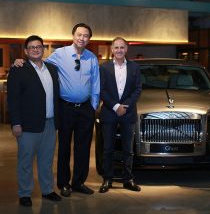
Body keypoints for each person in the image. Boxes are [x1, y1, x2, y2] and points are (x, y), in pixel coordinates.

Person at [14, 23, 100, 197]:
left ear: (89, 39)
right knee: (64, 148)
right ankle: (63, 184)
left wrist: (93, 106)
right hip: (65, 108)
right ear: (73, 36)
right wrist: (20, 60)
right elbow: (39, 62)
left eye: (86, 36)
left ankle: (78, 182)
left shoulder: (92, 58)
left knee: (83, 148)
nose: (82, 38)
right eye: (79, 35)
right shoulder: (59, 54)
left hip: (85, 110)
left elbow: (96, 83)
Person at [7, 35, 61, 206]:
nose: (36, 49)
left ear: (43, 49)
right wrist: (16, 123)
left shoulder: (52, 69)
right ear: (26, 51)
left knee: (46, 160)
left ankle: (47, 190)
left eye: (39, 46)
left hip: (50, 123)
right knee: (26, 161)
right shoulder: (18, 69)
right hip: (27, 125)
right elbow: (13, 99)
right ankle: (24, 193)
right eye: (32, 47)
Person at [98, 37, 142, 193]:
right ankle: (107, 179)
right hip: (110, 112)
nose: (119, 50)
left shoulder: (135, 67)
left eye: (122, 47)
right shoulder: (104, 68)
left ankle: (128, 179)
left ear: (126, 49)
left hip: (128, 113)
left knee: (128, 149)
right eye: (116, 47)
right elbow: (102, 90)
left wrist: (125, 106)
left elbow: (138, 89)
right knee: (108, 148)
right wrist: (116, 106)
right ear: (112, 49)